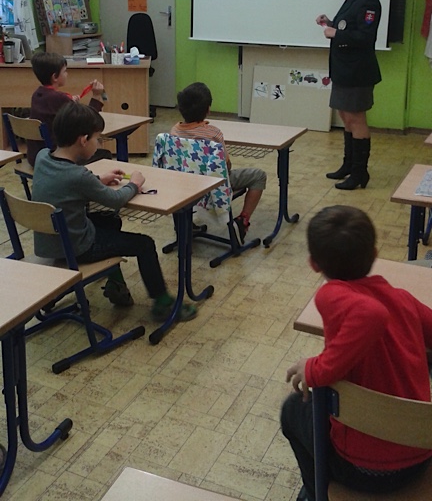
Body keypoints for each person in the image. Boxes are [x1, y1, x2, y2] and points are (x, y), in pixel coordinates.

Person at [280, 205, 432, 501]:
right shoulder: (402, 298)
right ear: (374, 254)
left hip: (363, 470)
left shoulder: (332, 293)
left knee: (292, 410)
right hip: (421, 454)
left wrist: (313, 368)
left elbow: (370, 314)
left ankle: (316, 493)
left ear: (313, 264)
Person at [31, 102, 196, 320]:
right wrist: (134, 184)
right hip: (76, 247)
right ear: (83, 140)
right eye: (97, 139)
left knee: (110, 221)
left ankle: (116, 284)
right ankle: (163, 304)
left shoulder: (43, 157)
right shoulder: (78, 176)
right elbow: (115, 200)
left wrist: (98, 180)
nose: (98, 144)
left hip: (49, 242)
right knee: (145, 244)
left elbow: (66, 184)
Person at [171, 82, 266, 245]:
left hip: (184, 185)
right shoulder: (213, 134)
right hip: (211, 188)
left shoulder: (174, 131)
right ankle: (242, 221)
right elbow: (226, 166)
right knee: (259, 176)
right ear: (208, 109)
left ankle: (184, 225)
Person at [316, 0, 381, 190]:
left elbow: (365, 37)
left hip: (357, 71)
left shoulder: (368, 1)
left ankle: (360, 172)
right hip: (344, 69)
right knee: (345, 116)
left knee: (356, 118)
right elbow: (348, 26)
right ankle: (348, 165)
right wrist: (330, 23)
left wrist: (336, 33)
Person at [27, 51, 108, 167]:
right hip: (55, 160)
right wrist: (96, 96)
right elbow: (90, 122)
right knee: (104, 154)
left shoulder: (37, 95)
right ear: (55, 77)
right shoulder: (59, 98)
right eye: (65, 71)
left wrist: (70, 104)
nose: (67, 74)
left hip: (36, 157)